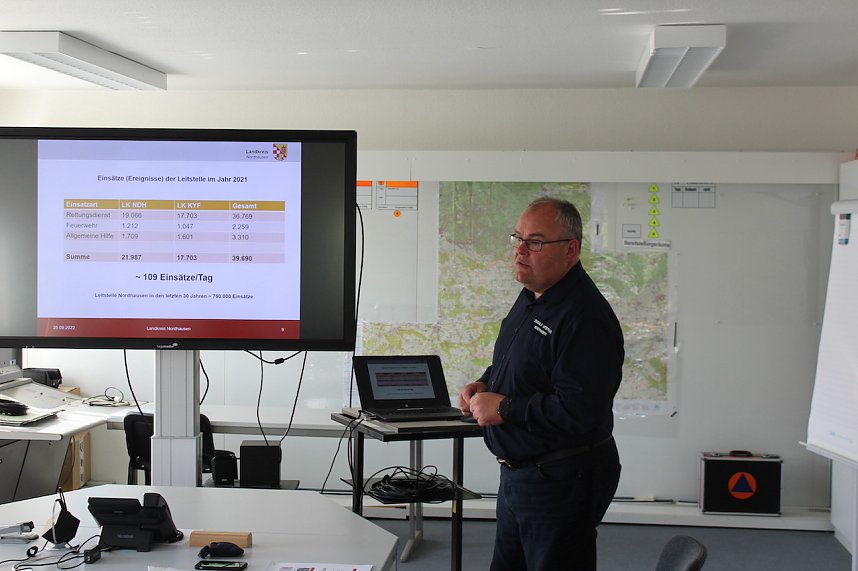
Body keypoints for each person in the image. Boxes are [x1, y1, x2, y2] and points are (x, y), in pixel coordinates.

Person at [458, 196, 624, 570]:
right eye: (518, 238)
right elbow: (523, 363)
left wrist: (504, 407)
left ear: (570, 250)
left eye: (535, 242)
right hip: (520, 475)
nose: (520, 250)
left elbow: (580, 410)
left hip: (562, 479)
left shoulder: (585, 317)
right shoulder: (533, 296)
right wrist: (484, 384)